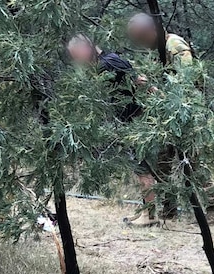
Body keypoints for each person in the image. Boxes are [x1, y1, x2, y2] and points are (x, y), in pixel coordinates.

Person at [126, 12, 214, 223]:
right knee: (163, 164)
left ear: (151, 31)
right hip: (167, 117)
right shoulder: (155, 51)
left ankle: (213, 211)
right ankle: (169, 211)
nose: (139, 42)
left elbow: (188, 83)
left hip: (187, 115)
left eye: (140, 36)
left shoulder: (175, 45)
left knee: (195, 164)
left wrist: (154, 90)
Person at [67, 34, 165, 227]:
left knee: (143, 171)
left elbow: (142, 82)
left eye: (76, 54)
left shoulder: (109, 63)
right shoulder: (107, 62)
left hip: (136, 125)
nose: (76, 60)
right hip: (130, 124)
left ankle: (150, 216)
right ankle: (147, 212)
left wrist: (158, 106)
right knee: (141, 171)